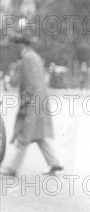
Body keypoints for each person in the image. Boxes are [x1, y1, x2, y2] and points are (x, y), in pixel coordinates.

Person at [0, 33, 64, 177]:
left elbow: (31, 84)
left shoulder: (27, 59)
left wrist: (25, 103)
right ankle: (55, 163)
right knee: (39, 135)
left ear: (20, 45)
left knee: (24, 136)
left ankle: (11, 168)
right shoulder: (33, 57)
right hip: (39, 101)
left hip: (33, 103)